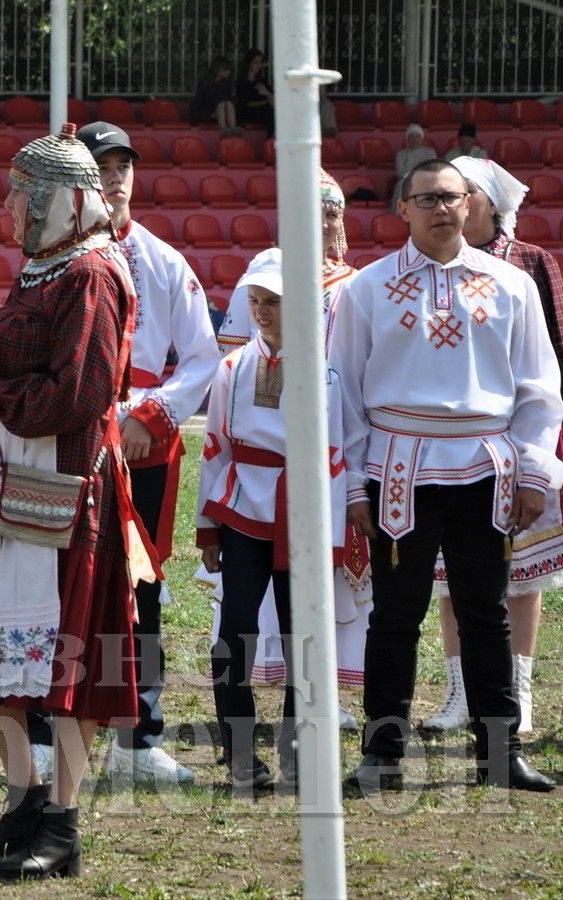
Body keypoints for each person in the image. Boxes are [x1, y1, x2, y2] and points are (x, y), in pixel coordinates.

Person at [0, 123, 144, 880]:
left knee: (69, 657)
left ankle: (62, 822)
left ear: (59, 202)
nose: (11, 209)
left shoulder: (92, 275)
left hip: (62, 489)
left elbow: (80, 394)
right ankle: (22, 804)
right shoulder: (43, 273)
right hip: (4, 483)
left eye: (25, 195)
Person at [334, 159, 560, 794]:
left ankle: (499, 751)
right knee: (395, 614)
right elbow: (343, 391)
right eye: (425, 199)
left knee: (485, 610)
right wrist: (352, 482)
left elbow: (540, 384)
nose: (439, 209)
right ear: (401, 209)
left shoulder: (510, 285)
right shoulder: (367, 289)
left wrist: (535, 470)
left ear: (472, 206)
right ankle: (382, 754)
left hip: (485, 468)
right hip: (398, 465)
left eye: (451, 198)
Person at [75, 121, 217, 787]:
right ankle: (56, 725)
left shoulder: (164, 262)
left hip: (142, 449)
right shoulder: (58, 260)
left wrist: (151, 416)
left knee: (139, 591)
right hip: (75, 445)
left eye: (123, 164)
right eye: (102, 165)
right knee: (64, 585)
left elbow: (200, 359)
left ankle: (138, 736)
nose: (115, 176)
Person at [214, 169, 370, 729]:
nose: (325, 221)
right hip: (249, 502)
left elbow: (354, 404)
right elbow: (221, 430)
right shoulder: (240, 349)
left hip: (315, 487)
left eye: (333, 212)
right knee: (240, 618)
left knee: (306, 614)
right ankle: (239, 732)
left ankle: (306, 724)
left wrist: (352, 490)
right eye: (314, 210)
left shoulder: (358, 288)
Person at [197, 248, 349, 789]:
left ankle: (300, 751)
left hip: (302, 515)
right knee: (233, 630)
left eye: (275, 301)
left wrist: (338, 524)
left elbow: (339, 452)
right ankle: (240, 755)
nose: (262, 311)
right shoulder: (232, 368)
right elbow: (213, 447)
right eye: (255, 301)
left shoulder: (326, 373)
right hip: (241, 512)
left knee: (300, 635)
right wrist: (206, 524)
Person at [422, 157, 563, 736]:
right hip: (447, 450)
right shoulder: (426, 264)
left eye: (464, 192)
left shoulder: (530, 264)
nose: (450, 202)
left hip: (514, 443)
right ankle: (460, 694)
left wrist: (541, 449)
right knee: (452, 578)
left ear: (486, 200)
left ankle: (518, 692)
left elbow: (551, 358)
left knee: (520, 577)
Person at [391, 124, 436, 212]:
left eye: (417, 137)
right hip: (406, 180)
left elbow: (431, 170)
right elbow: (400, 172)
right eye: (411, 137)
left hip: (425, 180)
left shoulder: (430, 152)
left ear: (422, 139)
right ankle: (401, 214)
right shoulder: (401, 154)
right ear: (407, 139)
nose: (414, 140)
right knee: (402, 185)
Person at [190, 56, 238, 134]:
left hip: (221, 114)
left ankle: (233, 131)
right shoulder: (205, 83)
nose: (228, 72)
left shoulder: (227, 83)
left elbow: (229, 100)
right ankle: (224, 132)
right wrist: (210, 114)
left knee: (228, 103)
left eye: (229, 69)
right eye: (225, 69)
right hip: (206, 114)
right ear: (217, 70)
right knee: (221, 103)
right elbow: (197, 104)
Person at [235, 48, 274, 135]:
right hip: (247, 112)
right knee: (270, 114)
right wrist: (265, 101)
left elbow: (273, 99)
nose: (259, 65)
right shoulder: (242, 82)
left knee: (273, 113)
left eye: (260, 62)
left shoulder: (261, 81)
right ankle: (269, 140)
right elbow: (245, 103)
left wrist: (267, 94)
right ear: (249, 63)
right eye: (256, 62)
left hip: (262, 112)